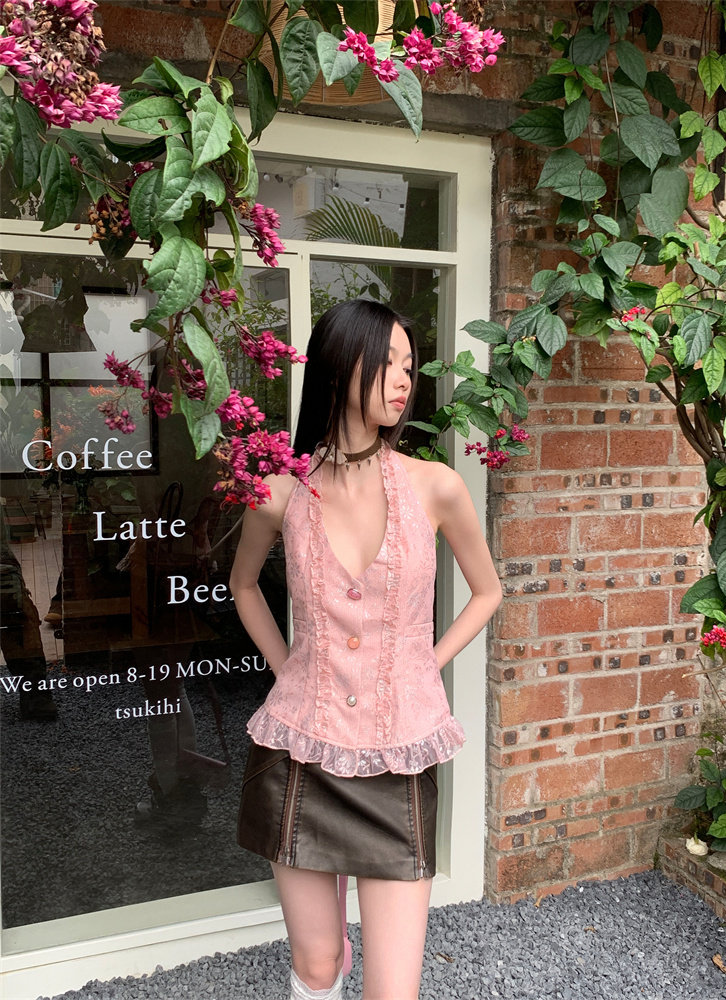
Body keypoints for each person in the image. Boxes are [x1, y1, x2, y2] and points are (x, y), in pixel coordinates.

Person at [230, 299, 503, 1000]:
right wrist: (289, 669)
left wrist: (422, 666)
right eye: (388, 363)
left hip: (396, 760)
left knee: (392, 992)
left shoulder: (435, 486)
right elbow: (244, 587)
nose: (404, 380)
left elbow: (487, 592)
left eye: (410, 366)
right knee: (318, 966)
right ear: (336, 367)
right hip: (300, 756)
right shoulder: (279, 493)